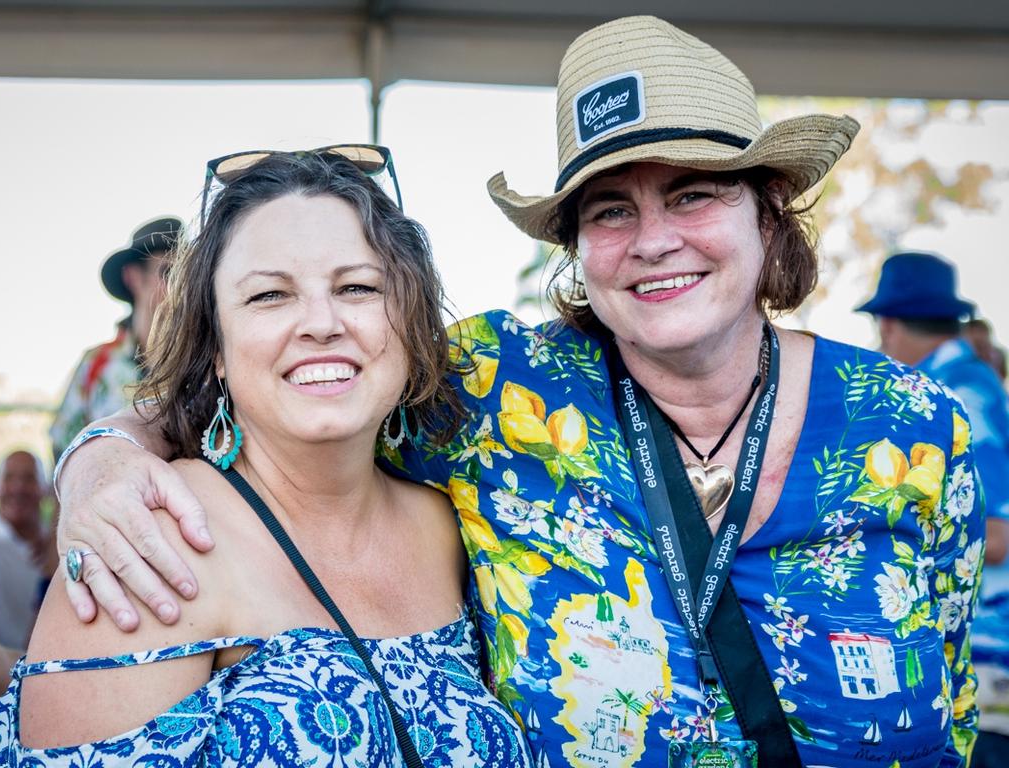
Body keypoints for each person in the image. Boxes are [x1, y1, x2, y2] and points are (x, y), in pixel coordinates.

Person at [48, 16, 981, 767]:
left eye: (695, 193)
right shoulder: (496, 389)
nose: (653, 239)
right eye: (612, 209)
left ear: (768, 211)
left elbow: (955, 707)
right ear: (576, 249)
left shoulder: (912, 426)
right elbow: (272, 391)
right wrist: (99, 460)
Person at [0, 150, 530, 766]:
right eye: (270, 296)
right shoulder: (146, 542)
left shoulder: (455, 522)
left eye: (357, 287)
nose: (321, 323)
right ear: (215, 346)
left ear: (408, 319)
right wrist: (97, 455)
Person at [858, 251, 1009, 767]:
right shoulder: (958, 384)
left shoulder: (957, 394)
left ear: (890, 324)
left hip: (988, 662)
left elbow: (994, 537)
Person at [49, 216, 182, 460]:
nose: (181, 286)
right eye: (169, 272)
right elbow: (63, 449)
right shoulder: (97, 364)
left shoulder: (208, 361)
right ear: (132, 277)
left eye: (189, 274)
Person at [0, 450, 52, 648]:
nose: (18, 487)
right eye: (9, 477)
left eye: (29, 478)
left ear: (45, 489)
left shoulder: (58, 545)